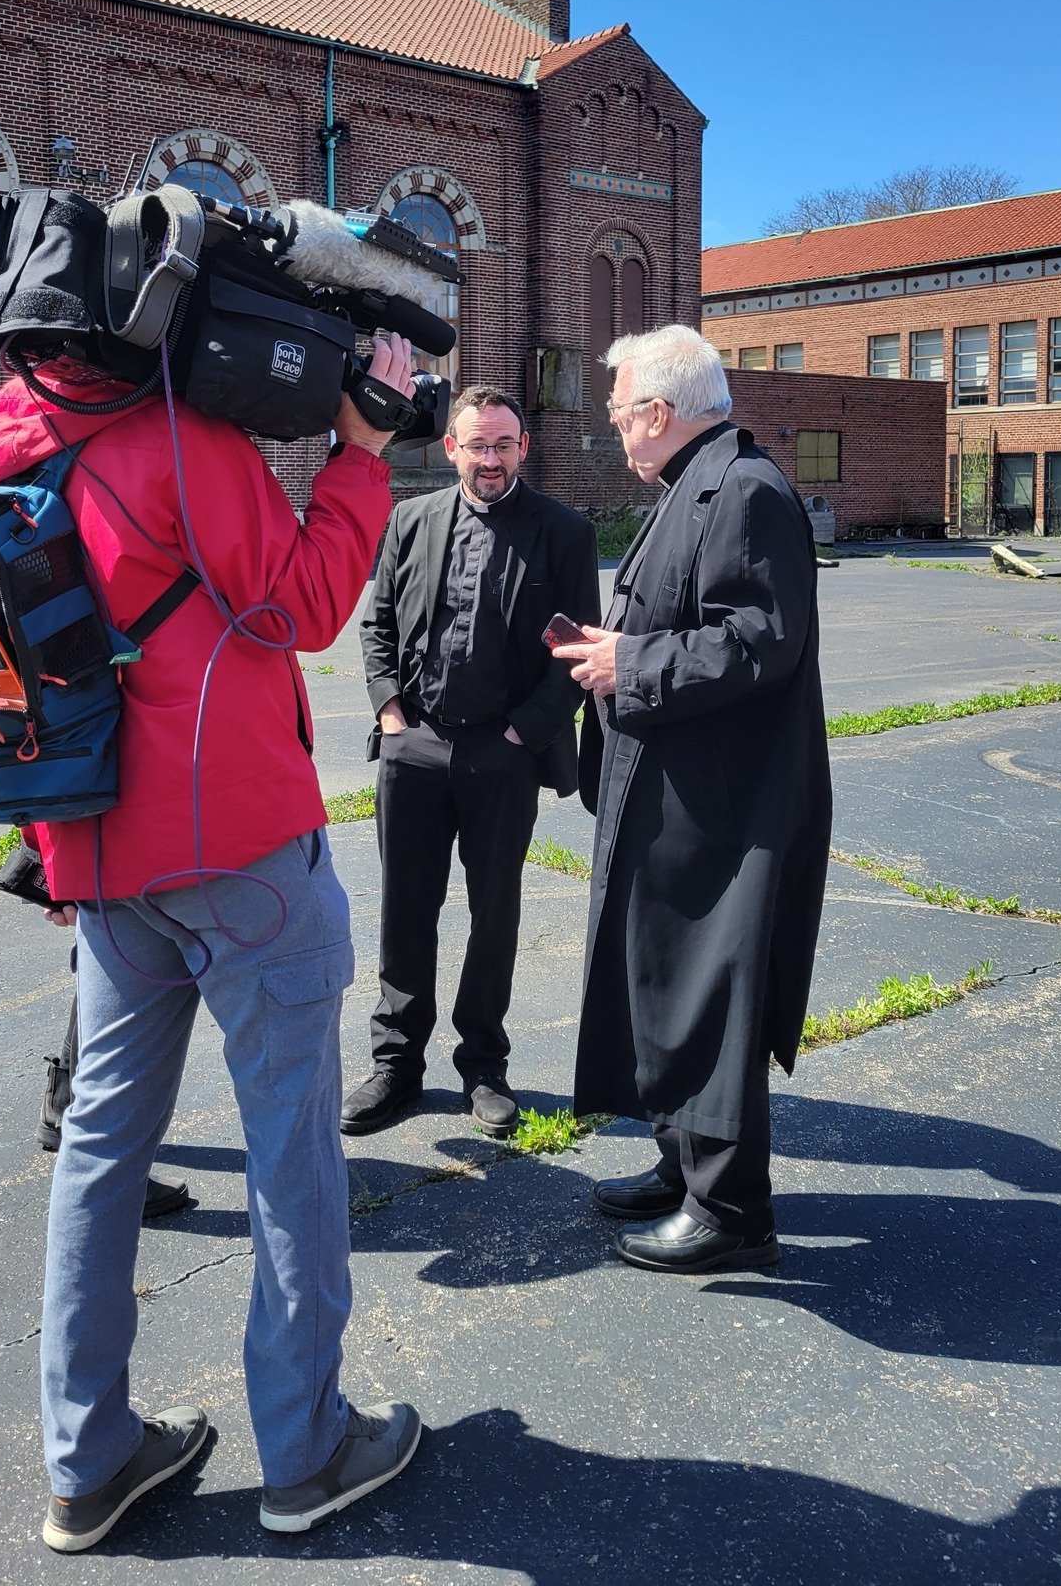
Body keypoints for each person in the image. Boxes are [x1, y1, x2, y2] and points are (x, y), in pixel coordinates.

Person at [0, 333, 422, 1551]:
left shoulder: (10, 434)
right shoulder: (181, 438)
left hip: (97, 847)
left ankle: (88, 1461)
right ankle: (307, 1449)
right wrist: (360, 455)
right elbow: (308, 603)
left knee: (101, 1152)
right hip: (239, 846)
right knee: (289, 1147)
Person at [551, 326, 831, 1274]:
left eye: (622, 409)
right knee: (664, 987)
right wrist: (614, 646)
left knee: (714, 1000)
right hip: (674, 796)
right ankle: (681, 1165)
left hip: (723, 808)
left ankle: (732, 1209)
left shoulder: (745, 489)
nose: (616, 426)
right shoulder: (696, 482)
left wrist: (631, 659)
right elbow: (693, 622)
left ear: (660, 414)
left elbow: (760, 639)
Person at [345, 387, 599, 1138]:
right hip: (414, 744)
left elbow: (576, 647)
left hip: (504, 750)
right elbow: (378, 620)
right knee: (404, 909)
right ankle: (396, 1066)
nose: (490, 460)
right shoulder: (410, 519)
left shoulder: (564, 532)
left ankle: (484, 1067)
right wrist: (390, 709)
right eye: (476, 446)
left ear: (524, 448)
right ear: (450, 449)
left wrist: (526, 733)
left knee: (494, 913)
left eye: (503, 446)